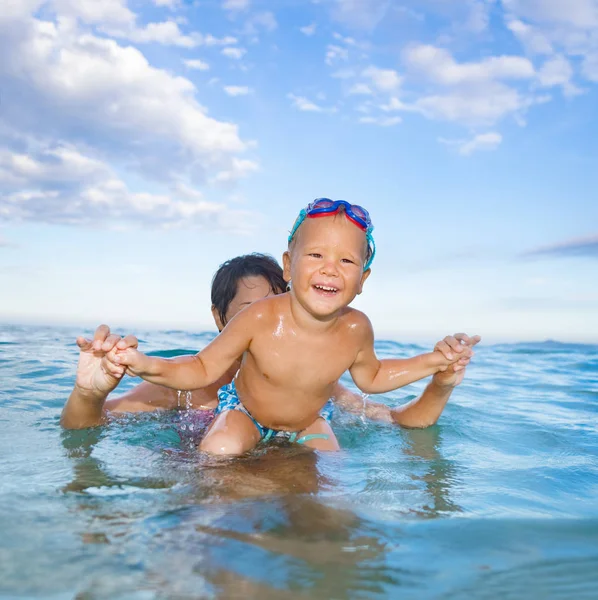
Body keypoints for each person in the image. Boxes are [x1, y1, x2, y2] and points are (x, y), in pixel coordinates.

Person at [110, 199, 479, 455]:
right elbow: (203, 367)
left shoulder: (355, 329)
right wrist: (145, 364)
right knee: (219, 448)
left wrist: (436, 363)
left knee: (332, 474)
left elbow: (375, 378)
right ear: (290, 266)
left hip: (308, 424)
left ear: (363, 279)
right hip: (245, 414)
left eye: (346, 260)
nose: (330, 268)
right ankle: (210, 534)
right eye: (316, 255)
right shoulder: (260, 317)